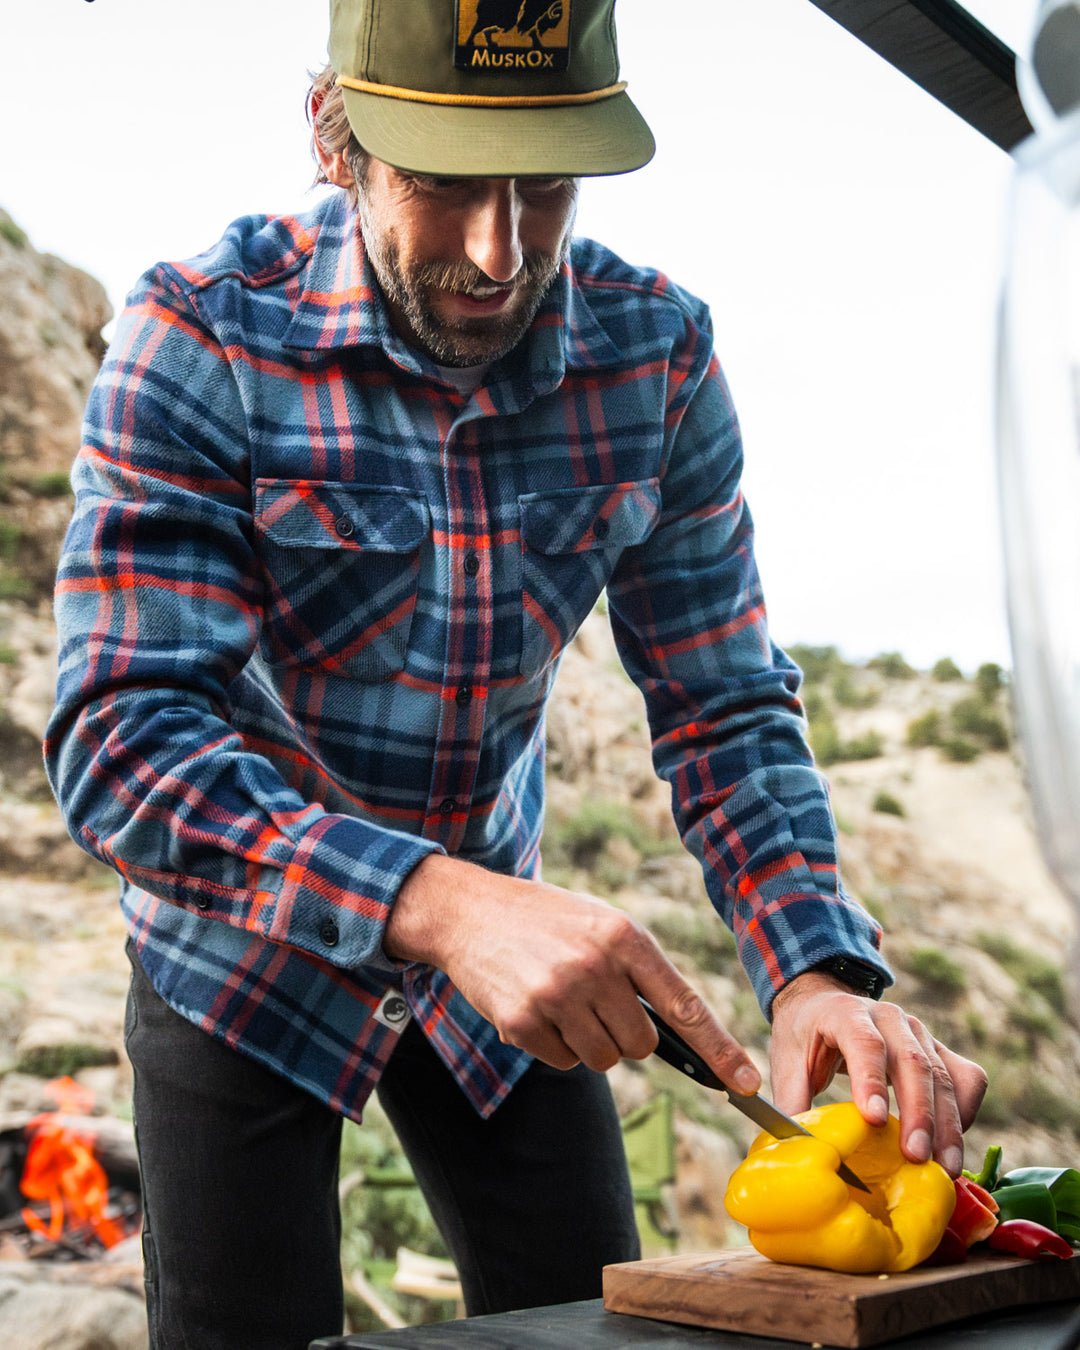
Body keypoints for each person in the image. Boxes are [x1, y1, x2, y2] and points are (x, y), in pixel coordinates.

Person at [45, 1, 987, 1346]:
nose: (500, 252)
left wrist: (817, 970)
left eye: (543, 184)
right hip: (237, 956)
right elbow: (119, 740)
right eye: (444, 183)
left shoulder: (656, 360)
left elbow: (723, 706)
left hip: (521, 982)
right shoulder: (199, 338)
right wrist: (438, 904)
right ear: (335, 135)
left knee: (583, 1322)